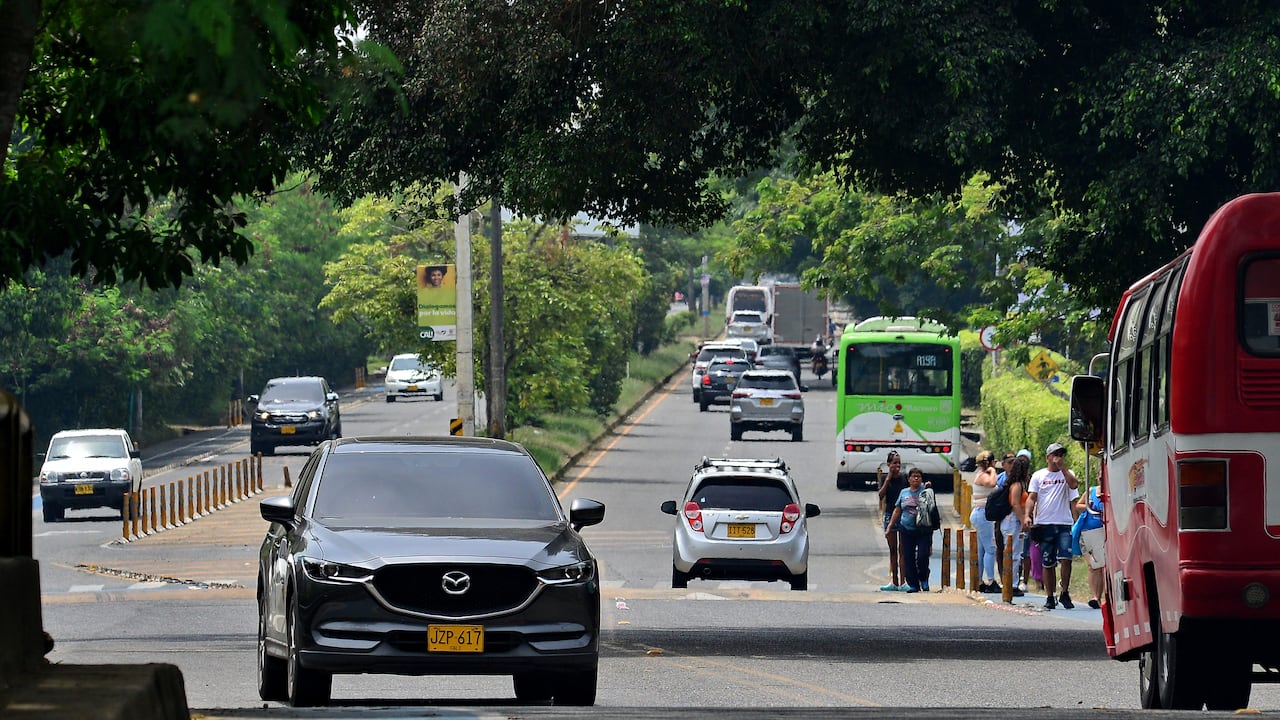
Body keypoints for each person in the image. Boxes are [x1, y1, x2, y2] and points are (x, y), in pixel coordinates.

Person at [1025, 443, 1081, 610]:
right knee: (1047, 562)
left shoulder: (1067, 474)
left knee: (1066, 558)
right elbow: (1032, 497)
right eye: (1055, 455)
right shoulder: (1038, 476)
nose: (1058, 458)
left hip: (1063, 523)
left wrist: (1063, 468)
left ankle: (1064, 591)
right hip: (1044, 524)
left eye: (1061, 455)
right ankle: (1050, 596)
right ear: (1048, 457)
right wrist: (1027, 515)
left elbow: (1074, 488)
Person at [885, 466, 933, 592]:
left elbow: (932, 509)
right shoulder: (904, 493)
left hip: (923, 529)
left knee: (923, 555)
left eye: (918, 476)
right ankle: (913, 584)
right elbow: (897, 509)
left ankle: (923, 578)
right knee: (908, 557)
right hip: (906, 529)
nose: (916, 478)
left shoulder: (926, 491)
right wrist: (890, 526)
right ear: (909, 479)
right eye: (913, 476)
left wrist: (929, 489)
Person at [999, 454, 1032, 597]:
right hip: (1013, 521)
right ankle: (1010, 584)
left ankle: (1011, 582)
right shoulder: (1017, 485)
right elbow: (1015, 504)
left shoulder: (1014, 483)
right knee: (1013, 554)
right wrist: (1024, 519)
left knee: (1014, 554)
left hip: (1012, 521)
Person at [967, 450, 1000, 593]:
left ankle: (979, 580)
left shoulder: (979, 474)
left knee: (981, 550)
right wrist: (993, 470)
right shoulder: (984, 475)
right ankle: (991, 581)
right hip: (983, 515)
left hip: (981, 514)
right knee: (990, 549)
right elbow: (992, 484)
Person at [877, 451, 909, 591]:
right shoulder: (884, 478)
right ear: (888, 464)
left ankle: (903, 582)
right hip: (890, 515)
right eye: (894, 463)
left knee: (903, 550)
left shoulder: (905, 478)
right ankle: (894, 581)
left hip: (904, 515)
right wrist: (888, 479)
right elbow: (881, 495)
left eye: (898, 463)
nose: (897, 466)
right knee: (892, 551)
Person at [1073, 484, 1106, 609]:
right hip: (1088, 531)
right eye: (1100, 478)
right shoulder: (1090, 491)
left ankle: (1099, 595)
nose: (1101, 479)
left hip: (1103, 530)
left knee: (1102, 565)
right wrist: (1088, 506)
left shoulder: (1111, 491)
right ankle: (1094, 596)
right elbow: (1078, 506)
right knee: (1092, 565)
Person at [993, 451, 1015, 580]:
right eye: (1010, 463)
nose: (1012, 465)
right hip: (1001, 516)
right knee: (1000, 546)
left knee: (1016, 549)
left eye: (1014, 462)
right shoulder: (999, 479)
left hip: (1015, 516)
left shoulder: (1021, 478)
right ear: (1003, 464)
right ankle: (1003, 576)